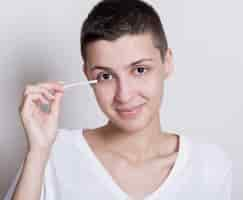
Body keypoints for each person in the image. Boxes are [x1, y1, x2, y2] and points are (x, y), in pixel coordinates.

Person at [4, 0, 232, 199]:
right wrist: (38, 152)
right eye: (105, 76)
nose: (124, 94)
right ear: (87, 75)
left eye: (140, 70)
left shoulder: (209, 166)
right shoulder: (52, 152)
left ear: (167, 63)